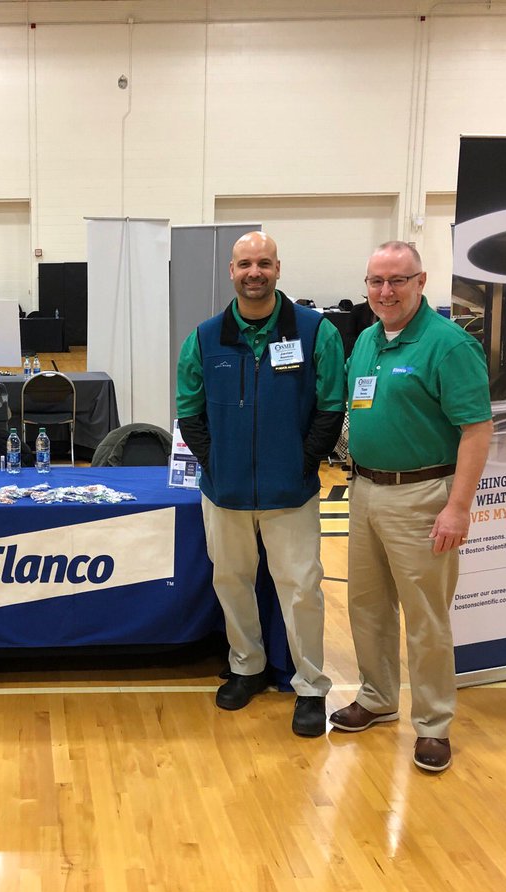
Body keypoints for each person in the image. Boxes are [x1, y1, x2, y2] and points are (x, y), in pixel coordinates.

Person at [331, 241, 492, 774]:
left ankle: (433, 724)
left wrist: (458, 508)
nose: (385, 291)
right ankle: (378, 697)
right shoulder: (367, 340)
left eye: (397, 280)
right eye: (376, 281)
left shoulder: (449, 345)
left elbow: (477, 430)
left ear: (421, 282)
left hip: (423, 497)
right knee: (368, 606)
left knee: (425, 618)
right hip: (365, 491)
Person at [175, 231, 344, 738]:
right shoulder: (204, 338)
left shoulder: (316, 332)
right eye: (245, 264)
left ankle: (310, 686)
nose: (255, 272)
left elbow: (330, 407)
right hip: (224, 493)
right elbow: (189, 411)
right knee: (231, 582)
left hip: (290, 492)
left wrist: (302, 463)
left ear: (277, 268)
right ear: (232, 271)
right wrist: (217, 464)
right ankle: (246, 666)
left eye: (264, 263)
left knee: (302, 588)